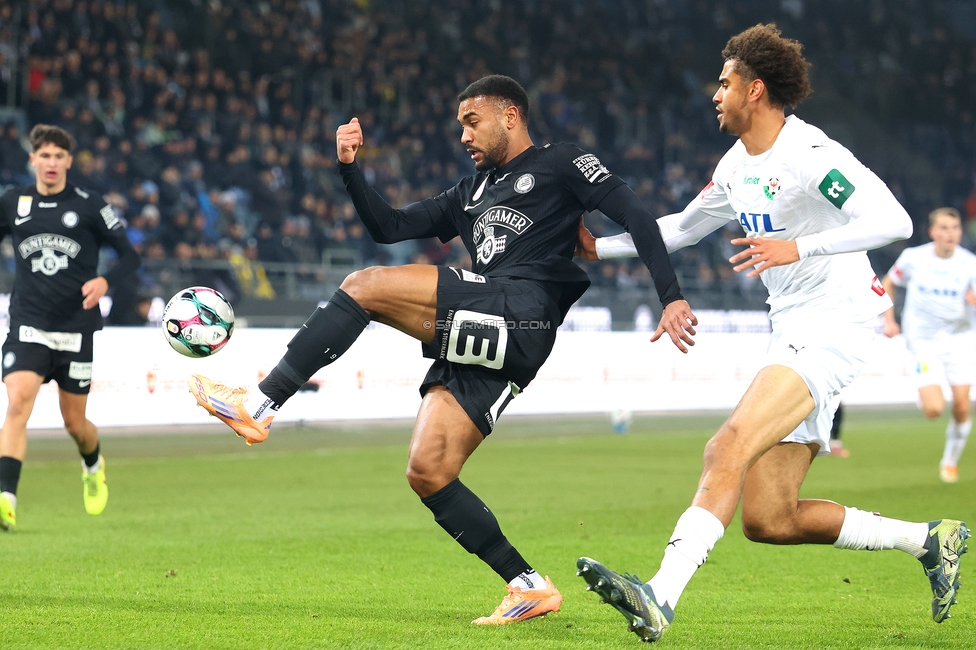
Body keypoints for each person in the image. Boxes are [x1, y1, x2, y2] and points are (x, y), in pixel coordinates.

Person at [188, 75, 698, 624]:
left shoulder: (563, 162)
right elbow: (390, 226)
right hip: (489, 326)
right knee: (428, 470)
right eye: (460, 125)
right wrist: (349, 168)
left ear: (510, 116)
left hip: (522, 310)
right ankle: (527, 584)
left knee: (364, 286)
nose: (463, 135)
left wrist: (670, 297)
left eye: (472, 122)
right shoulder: (469, 192)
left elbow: (638, 218)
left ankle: (260, 405)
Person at [573, 24, 968, 642]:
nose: (716, 94)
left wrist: (799, 246)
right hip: (792, 326)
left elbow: (894, 220)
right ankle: (930, 541)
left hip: (838, 320)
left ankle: (659, 596)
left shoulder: (811, 158)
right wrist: (600, 249)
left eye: (725, 83)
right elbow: (680, 228)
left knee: (726, 446)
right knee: (768, 517)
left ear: (754, 90)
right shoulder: (734, 166)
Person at [0, 124, 141, 530]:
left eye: (58, 156)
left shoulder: (90, 205)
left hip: (76, 326)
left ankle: (93, 465)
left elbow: (130, 257)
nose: (51, 163)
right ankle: (6, 498)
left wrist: (105, 280)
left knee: (75, 424)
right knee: (17, 403)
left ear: (68, 161)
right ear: (33, 159)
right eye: (43, 155)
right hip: (29, 322)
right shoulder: (13, 202)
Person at [881, 207, 976, 483]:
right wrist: (889, 319)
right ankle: (925, 389)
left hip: (960, 340)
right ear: (932, 232)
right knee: (934, 410)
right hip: (922, 343)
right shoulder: (913, 258)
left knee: (961, 407)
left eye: (955, 228)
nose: (950, 234)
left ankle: (949, 461)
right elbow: (889, 282)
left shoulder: (969, 262)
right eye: (944, 228)